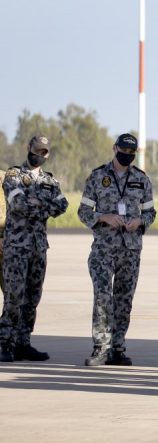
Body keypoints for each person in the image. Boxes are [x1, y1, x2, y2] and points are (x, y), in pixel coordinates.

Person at [78, 133, 156, 366]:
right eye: (124, 150)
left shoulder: (142, 180)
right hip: (104, 248)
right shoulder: (97, 177)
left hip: (130, 250)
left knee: (124, 299)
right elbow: (83, 212)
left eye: (132, 153)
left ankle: (118, 348)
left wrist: (141, 222)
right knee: (103, 297)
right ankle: (100, 348)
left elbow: (150, 212)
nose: (128, 155)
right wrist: (103, 217)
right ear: (115, 148)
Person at [0, 136, 68, 362]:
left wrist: (36, 202)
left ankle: (23, 343)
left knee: (33, 298)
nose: (40, 154)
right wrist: (43, 204)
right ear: (28, 148)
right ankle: (5, 344)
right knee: (13, 297)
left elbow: (62, 205)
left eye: (45, 152)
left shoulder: (50, 180)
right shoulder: (14, 175)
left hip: (39, 247)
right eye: (37, 149)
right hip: (16, 246)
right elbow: (17, 204)